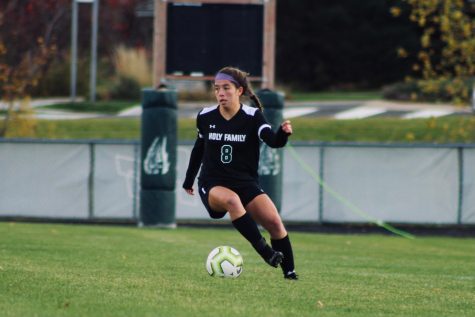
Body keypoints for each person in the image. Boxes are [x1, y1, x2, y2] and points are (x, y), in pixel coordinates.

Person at [182, 66, 298, 280]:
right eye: (217, 89)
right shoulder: (206, 116)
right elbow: (199, 148)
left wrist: (282, 134)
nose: (221, 93)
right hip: (213, 183)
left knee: (274, 222)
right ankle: (266, 252)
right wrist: (189, 180)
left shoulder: (253, 117)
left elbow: (272, 141)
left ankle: (290, 273)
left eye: (226, 88)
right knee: (233, 201)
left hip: (245, 182)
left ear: (239, 91)